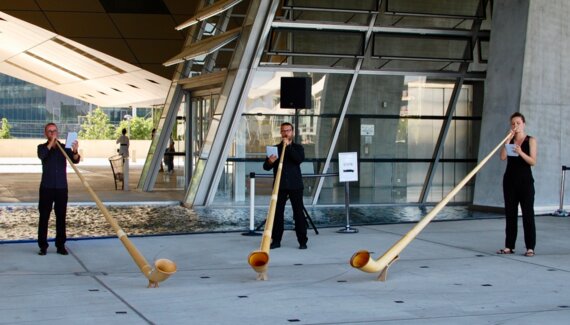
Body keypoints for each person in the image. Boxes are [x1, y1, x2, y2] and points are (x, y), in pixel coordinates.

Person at [497, 112, 537, 257]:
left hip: (525, 183)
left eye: (518, 123)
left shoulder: (530, 140)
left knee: (528, 214)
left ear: (523, 124)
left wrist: (520, 152)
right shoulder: (510, 140)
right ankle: (509, 246)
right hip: (510, 182)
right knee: (510, 214)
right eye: (513, 123)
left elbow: (533, 161)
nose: (516, 126)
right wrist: (507, 141)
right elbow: (502, 157)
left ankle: (530, 247)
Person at [263, 122, 308, 249]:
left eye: (288, 130)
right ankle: (276, 240)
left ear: (292, 132)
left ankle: (302, 241)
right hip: (280, 186)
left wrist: (288, 147)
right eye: (283, 131)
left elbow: (298, 159)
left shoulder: (298, 148)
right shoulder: (274, 148)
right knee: (277, 214)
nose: (285, 133)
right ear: (280, 133)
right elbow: (266, 167)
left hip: (295, 185)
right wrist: (270, 162)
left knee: (298, 213)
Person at [37, 123, 80, 255]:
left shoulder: (63, 148)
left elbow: (75, 160)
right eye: (50, 131)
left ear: (58, 132)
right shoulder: (42, 147)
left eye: (54, 131)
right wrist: (51, 143)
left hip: (61, 187)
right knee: (44, 216)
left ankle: (60, 245)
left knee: (61, 216)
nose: (52, 133)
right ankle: (43, 246)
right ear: (46, 134)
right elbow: (42, 155)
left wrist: (75, 151)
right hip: (47, 187)